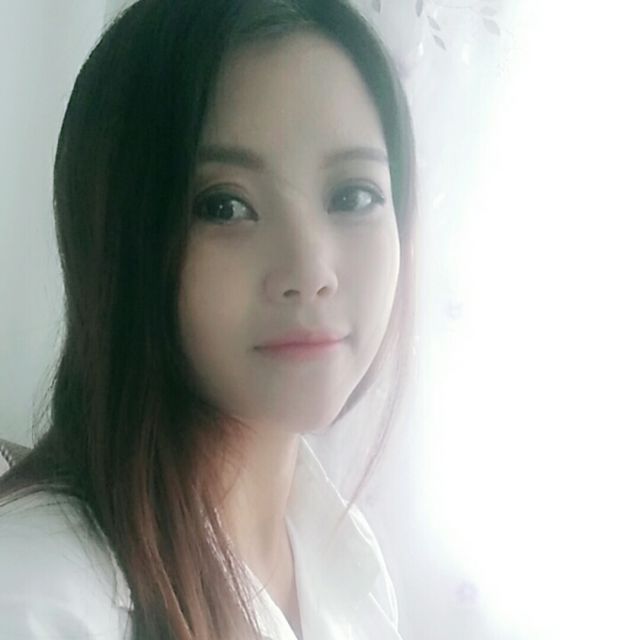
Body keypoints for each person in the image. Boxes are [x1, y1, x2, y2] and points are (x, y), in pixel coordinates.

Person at [0, 0, 418, 638]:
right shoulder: (37, 599)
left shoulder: (339, 547)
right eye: (224, 206)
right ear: (120, 240)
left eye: (353, 195)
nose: (311, 270)